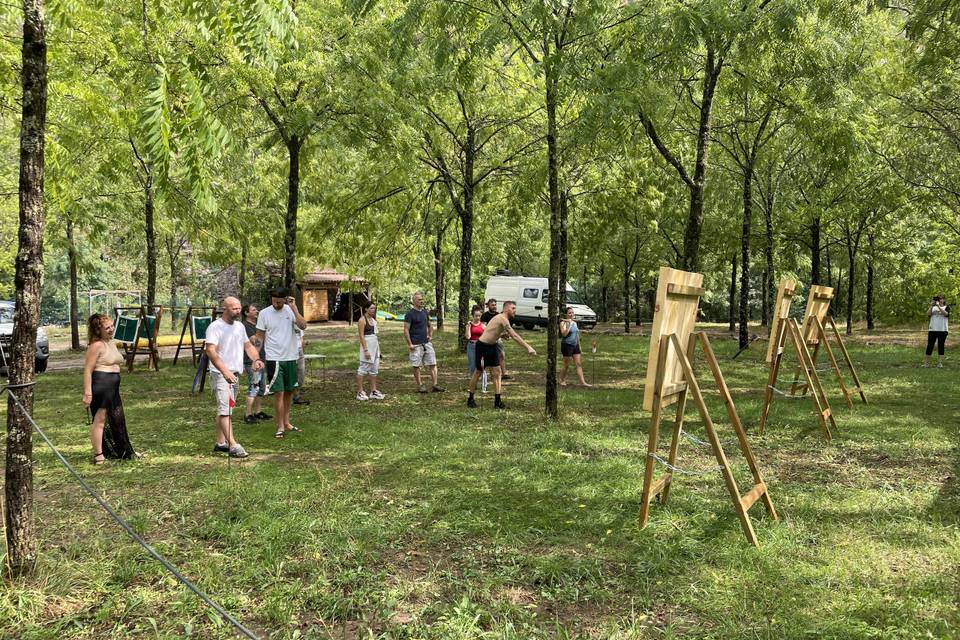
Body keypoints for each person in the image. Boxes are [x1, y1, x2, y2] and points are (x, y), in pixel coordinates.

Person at [205, 297, 263, 458]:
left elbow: (248, 346)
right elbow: (210, 351)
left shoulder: (239, 327)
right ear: (225, 308)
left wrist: (256, 359)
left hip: (235, 374)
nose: (238, 311)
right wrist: (224, 371)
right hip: (221, 374)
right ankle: (233, 445)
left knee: (227, 409)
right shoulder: (215, 327)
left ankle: (220, 443)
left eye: (239, 308)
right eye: (234, 308)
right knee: (225, 410)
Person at [82, 313, 136, 464]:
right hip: (101, 385)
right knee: (100, 419)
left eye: (112, 326)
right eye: (107, 328)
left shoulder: (111, 343)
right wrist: (87, 393)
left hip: (113, 385)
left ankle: (123, 449)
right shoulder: (96, 345)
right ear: (98, 330)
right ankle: (99, 454)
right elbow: (87, 370)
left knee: (117, 418)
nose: (111, 329)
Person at [256, 287, 308, 438]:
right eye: (274, 301)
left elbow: (303, 326)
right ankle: (280, 427)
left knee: (290, 391)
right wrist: (256, 357)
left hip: (291, 357)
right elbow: (259, 337)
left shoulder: (290, 310)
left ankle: (287, 422)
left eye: (280, 302)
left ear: (285, 299)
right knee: (279, 392)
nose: (277, 304)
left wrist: (294, 308)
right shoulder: (264, 313)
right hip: (274, 358)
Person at [467, 301, 537, 409]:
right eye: (513, 308)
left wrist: (501, 335)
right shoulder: (502, 318)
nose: (515, 310)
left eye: (515, 308)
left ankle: (497, 401)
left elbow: (491, 331)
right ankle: (470, 399)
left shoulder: (502, 318)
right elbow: (514, 335)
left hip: (492, 346)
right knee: (478, 372)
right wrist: (528, 347)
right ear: (506, 309)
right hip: (483, 346)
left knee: (497, 372)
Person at [404, 292, 444, 393]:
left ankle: (435, 385)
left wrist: (430, 336)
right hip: (416, 344)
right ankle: (420, 385)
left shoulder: (425, 312)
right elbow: (406, 330)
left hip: (427, 343)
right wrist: (410, 344)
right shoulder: (410, 314)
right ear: (414, 301)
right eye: (419, 300)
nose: (421, 301)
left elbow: (430, 325)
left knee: (433, 363)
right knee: (416, 365)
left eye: (422, 299)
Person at [241, 303, 271, 424]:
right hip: (251, 361)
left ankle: (258, 412)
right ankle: (248, 414)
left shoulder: (258, 325)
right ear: (246, 313)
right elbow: (255, 340)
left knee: (262, 387)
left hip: (262, 360)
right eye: (253, 310)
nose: (257, 311)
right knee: (254, 386)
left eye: (256, 309)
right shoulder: (246, 326)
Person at [357, 301, 386, 401]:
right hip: (367, 347)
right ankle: (360, 392)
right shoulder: (362, 320)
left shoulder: (373, 320)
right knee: (363, 369)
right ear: (366, 309)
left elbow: (375, 335)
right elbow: (361, 336)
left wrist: (378, 351)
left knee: (374, 370)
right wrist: (366, 350)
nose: (373, 310)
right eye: (371, 308)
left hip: (375, 347)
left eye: (374, 308)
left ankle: (373, 391)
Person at [559, 306, 592, 387]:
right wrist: (569, 324)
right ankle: (561, 380)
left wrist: (579, 346)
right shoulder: (563, 323)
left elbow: (576, 334)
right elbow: (564, 334)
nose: (571, 314)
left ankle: (583, 382)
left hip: (575, 345)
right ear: (566, 314)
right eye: (569, 313)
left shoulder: (575, 323)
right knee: (566, 365)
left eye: (572, 312)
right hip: (567, 345)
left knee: (578, 364)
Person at [480, 298, 510, 380]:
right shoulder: (484, 316)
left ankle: (504, 373)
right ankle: (485, 374)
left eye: (495, 305)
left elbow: (502, 326)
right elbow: (484, 329)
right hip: (488, 339)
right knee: (488, 357)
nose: (494, 306)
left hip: (498, 339)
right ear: (488, 306)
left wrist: (505, 334)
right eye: (492, 305)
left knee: (501, 355)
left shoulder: (498, 315)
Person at [465, 305, 488, 392]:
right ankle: (473, 385)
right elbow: (468, 337)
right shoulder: (470, 325)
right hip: (471, 346)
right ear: (472, 316)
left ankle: (484, 385)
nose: (478, 317)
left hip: (481, 346)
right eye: (476, 316)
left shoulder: (483, 326)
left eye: (479, 316)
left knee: (482, 366)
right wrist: (468, 327)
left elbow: (487, 336)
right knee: (472, 366)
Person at [923, 294, 950, 368]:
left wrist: (938, 306)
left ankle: (939, 363)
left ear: (943, 300)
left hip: (943, 330)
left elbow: (946, 314)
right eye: (937, 299)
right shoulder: (933, 307)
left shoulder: (946, 307)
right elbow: (928, 314)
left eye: (940, 299)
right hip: (932, 329)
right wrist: (932, 305)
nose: (938, 300)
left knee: (941, 346)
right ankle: (926, 363)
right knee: (930, 346)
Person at [292, 327, 310, 405]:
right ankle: (295, 396)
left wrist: (302, 351)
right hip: (289, 352)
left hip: (299, 352)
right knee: (293, 376)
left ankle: (295, 394)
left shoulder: (299, 324)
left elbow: (302, 338)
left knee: (301, 376)